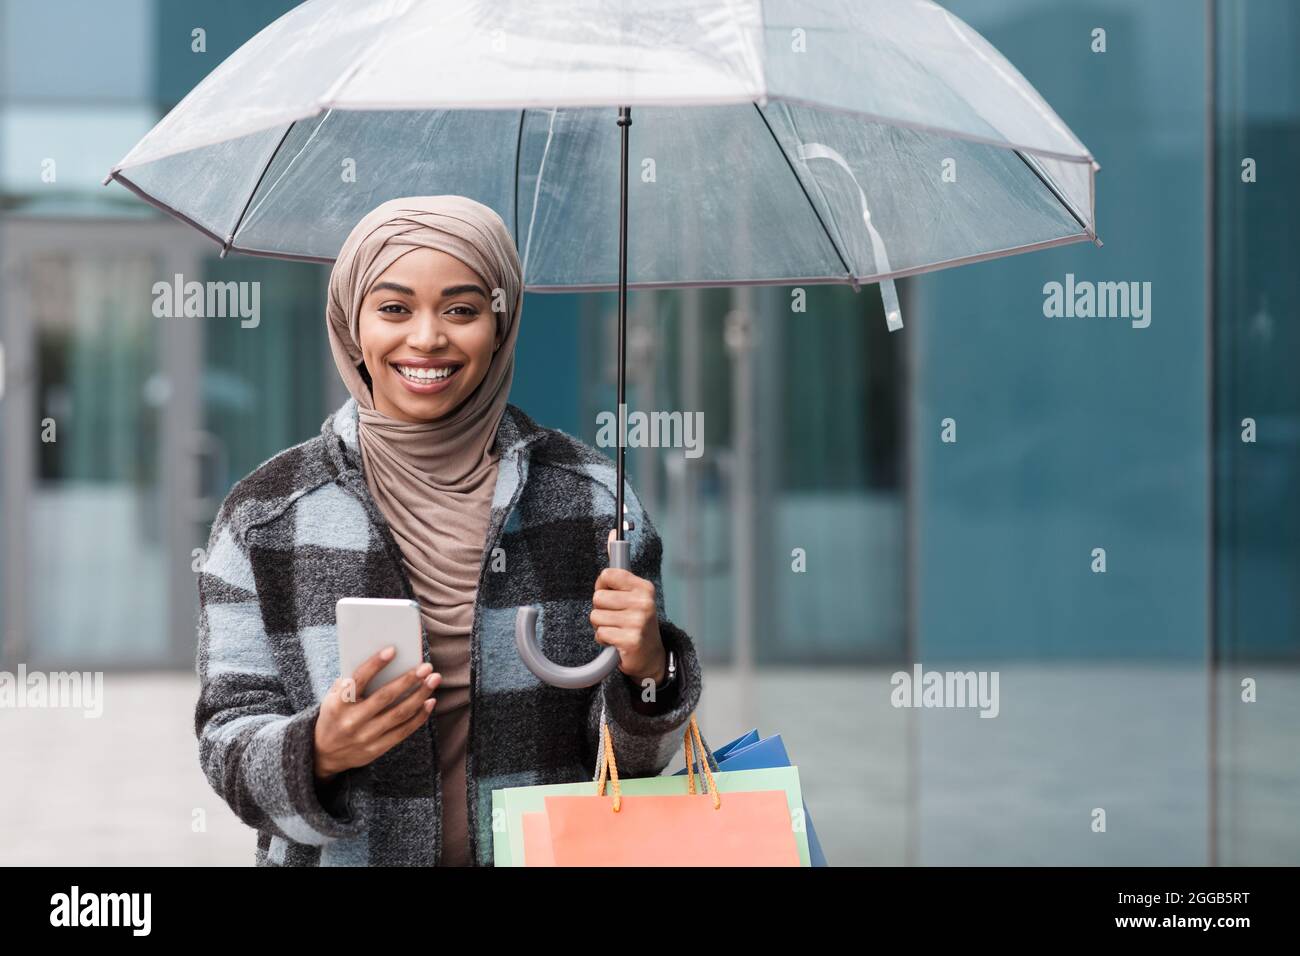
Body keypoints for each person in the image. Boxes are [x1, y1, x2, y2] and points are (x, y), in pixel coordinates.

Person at [194, 195, 703, 866]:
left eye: (461, 309)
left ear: (501, 324)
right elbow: (226, 740)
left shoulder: (592, 502)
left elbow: (636, 770)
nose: (427, 338)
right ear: (352, 325)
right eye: (394, 308)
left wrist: (648, 671)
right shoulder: (266, 515)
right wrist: (319, 750)